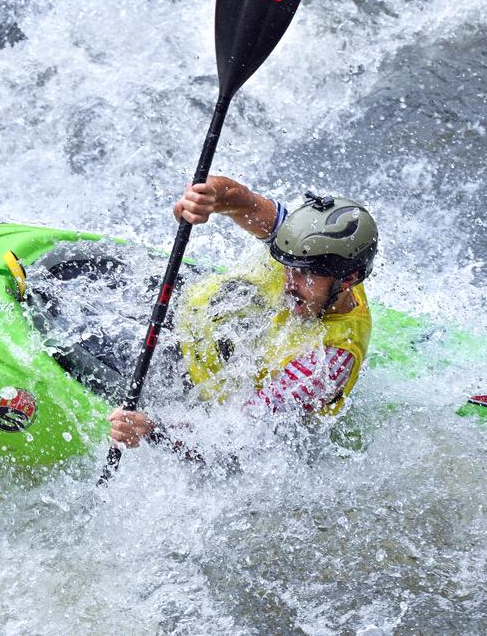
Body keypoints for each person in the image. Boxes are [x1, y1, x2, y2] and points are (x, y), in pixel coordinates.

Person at [107, 175, 378, 450]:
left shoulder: (329, 360)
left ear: (348, 279)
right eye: (287, 266)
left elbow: (236, 433)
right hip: (183, 304)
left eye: (307, 273)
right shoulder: (298, 241)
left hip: (186, 381)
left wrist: (151, 430)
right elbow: (242, 200)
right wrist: (206, 197)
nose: (289, 283)